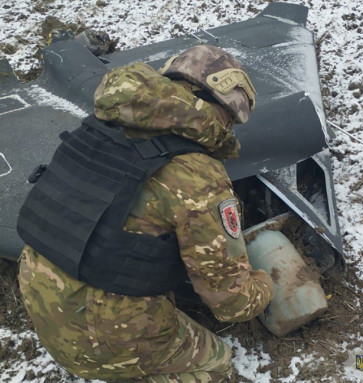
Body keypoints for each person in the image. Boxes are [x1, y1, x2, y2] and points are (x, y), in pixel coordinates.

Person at [17, 45, 274, 383]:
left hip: (40, 300)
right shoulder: (197, 175)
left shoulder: (99, 126)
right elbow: (231, 304)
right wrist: (265, 283)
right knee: (216, 362)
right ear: (225, 112)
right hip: (99, 339)